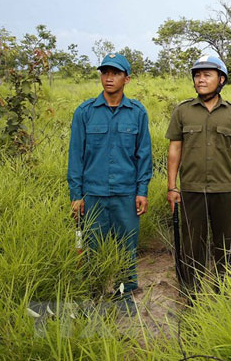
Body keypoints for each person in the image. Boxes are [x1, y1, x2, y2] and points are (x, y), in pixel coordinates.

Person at [67, 53, 152, 310]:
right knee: (91, 247)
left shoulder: (137, 112)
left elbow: (144, 155)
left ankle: (123, 295)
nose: (109, 78)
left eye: (115, 73)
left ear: (126, 78)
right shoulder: (85, 112)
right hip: (93, 194)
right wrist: (76, 195)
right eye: (105, 73)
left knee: (126, 246)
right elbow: (76, 157)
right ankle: (93, 295)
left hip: (126, 194)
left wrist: (142, 190)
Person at [165, 55, 231, 293]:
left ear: (221, 79)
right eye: (197, 75)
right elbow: (175, 149)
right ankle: (192, 290)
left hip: (224, 188)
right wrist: (172, 186)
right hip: (191, 188)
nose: (201, 80)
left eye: (207, 75)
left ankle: (224, 287)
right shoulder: (183, 111)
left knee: (225, 243)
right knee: (192, 243)